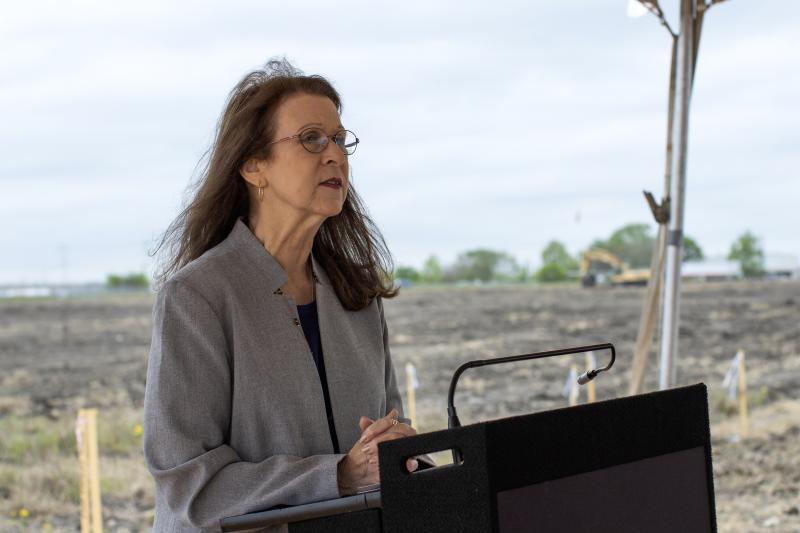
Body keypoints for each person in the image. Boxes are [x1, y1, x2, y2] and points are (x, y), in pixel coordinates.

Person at [144, 59, 423, 532]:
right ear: (254, 167)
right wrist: (338, 475)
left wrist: (398, 452)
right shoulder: (195, 297)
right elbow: (189, 487)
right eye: (312, 138)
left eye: (340, 139)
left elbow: (383, 451)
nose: (335, 155)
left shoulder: (357, 293)